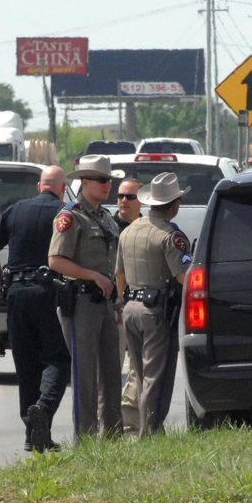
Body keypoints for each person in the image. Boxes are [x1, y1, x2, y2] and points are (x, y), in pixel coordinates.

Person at [0, 165, 70, 453]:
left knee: (26, 364)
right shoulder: (65, 212)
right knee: (57, 359)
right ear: (62, 187)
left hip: (16, 293)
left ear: (39, 185)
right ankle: (43, 409)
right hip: (47, 293)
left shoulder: (16, 210)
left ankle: (32, 435)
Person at [48, 155, 125, 439]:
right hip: (81, 302)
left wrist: (117, 297)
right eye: (103, 180)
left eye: (109, 180)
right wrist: (91, 275)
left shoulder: (105, 217)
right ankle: (87, 439)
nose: (108, 185)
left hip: (105, 302)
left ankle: (113, 435)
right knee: (85, 375)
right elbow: (55, 260)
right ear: (85, 182)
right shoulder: (71, 216)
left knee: (111, 371)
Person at [115, 172, 192, 436]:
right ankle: (150, 434)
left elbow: (119, 275)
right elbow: (184, 277)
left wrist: (123, 303)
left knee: (139, 373)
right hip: (156, 312)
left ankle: (144, 430)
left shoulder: (129, 231)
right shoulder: (171, 235)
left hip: (131, 310)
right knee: (155, 379)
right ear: (174, 205)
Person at [112, 176, 144, 434]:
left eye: (130, 196)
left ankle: (131, 419)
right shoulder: (107, 226)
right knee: (110, 365)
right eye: (120, 196)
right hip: (110, 305)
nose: (123, 201)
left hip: (137, 306)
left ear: (141, 200)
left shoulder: (148, 228)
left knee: (136, 364)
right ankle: (109, 420)